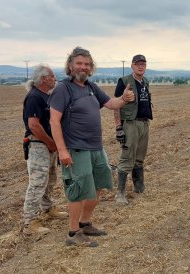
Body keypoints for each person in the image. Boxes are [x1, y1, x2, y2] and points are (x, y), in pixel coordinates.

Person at [49, 46, 135, 247]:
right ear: (70, 66)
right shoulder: (63, 88)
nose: (83, 67)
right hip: (76, 149)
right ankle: (73, 233)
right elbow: (54, 121)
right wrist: (62, 150)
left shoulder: (90, 87)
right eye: (79, 63)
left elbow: (111, 104)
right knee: (78, 190)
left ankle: (85, 223)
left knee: (99, 184)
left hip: (96, 147)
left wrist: (124, 99)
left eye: (87, 64)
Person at [21, 64, 68, 235]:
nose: (55, 79)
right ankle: (30, 223)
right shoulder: (34, 97)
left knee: (50, 180)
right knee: (37, 183)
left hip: (48, 145)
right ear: (43, 79)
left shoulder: (45, 96)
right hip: (38, 146)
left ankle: (48, 208)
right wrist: (50, 143)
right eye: (52, 76)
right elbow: (34, 125)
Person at [113, 54, 153, 205]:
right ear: (132, 66)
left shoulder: (145, 82)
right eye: (138, 64)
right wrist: (118, 127)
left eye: (143, 64)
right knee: (127, 157)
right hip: (130, 123)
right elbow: (116, 106)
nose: (141, 66)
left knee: (140, 157)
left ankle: (138, 185)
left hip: (144, 123)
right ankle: (120, 193)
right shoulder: (124, 82)